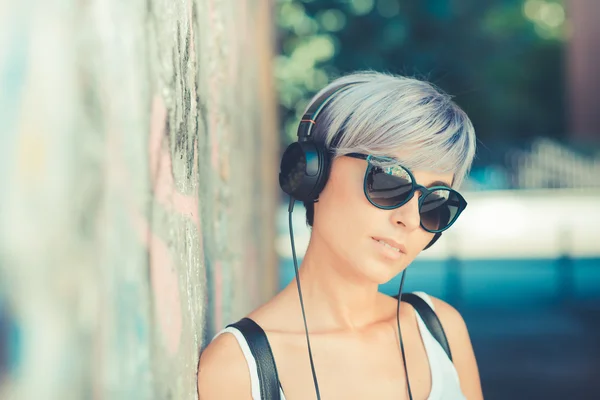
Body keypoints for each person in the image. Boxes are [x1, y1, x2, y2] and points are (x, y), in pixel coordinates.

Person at [198, 71, 483, 399]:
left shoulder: (441, 330)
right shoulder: (237, 368)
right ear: (312, 174)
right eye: (390, 180)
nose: (409, 219)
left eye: (435, 202)